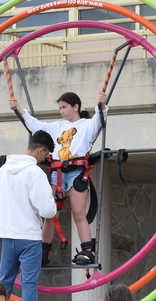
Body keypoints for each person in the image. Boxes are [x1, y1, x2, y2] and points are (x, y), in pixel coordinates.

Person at [10, 90, 108, 267]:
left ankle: (87, 251)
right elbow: (34, 125)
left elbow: (99, 119)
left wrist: (101, 104)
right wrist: (19, 109)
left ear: (76, 107)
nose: (62, 111)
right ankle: (43, 251)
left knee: (78, 213)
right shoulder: (56, 127)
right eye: (60, 108)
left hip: (77, 173)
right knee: (50, 214)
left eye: (64, 107)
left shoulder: (87, 125)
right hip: (57, 173)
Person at [0, 130, 58, 301]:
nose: (44, 159)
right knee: (29, 286)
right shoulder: (35, 173)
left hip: (7, 234)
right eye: (46, 155)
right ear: (41, 150)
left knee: (2, 287)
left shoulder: (4, 170)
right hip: (29, 237)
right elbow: (48, 210)